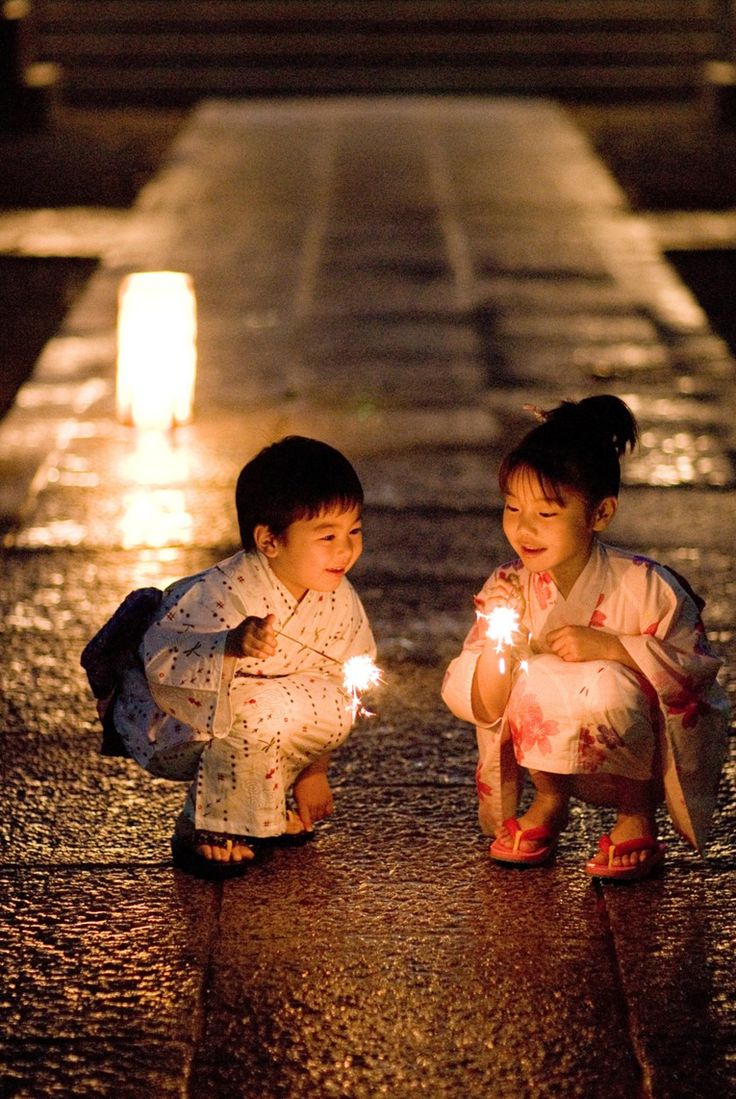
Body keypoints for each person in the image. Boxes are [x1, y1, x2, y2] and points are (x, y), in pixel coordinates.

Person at [441, 396, 730, 881]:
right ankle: (549, 797)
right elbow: (483, 702)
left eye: (547, 514)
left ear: (600, 514)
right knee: (530, 676)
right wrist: (500, 650)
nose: (523, 528)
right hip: (552, 751)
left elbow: (695, 674)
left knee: (611, 682)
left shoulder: (647, 586)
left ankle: (634, 813)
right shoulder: (507, 588)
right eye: (513, 508)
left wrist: (615, 649)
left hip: (633, 754)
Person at [82, 436, 376, 877]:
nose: (346, 549)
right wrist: (230, 645)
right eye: (327, 536)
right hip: (175, 726)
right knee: (255, 707)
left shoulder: (338, 598)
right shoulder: (218, 593)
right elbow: (162, 659)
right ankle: (206, 825)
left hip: (256, 722)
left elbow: (345, 678)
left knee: (336, 704)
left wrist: (314, 772)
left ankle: (268, 803)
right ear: (269, 540)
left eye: (354, 531)